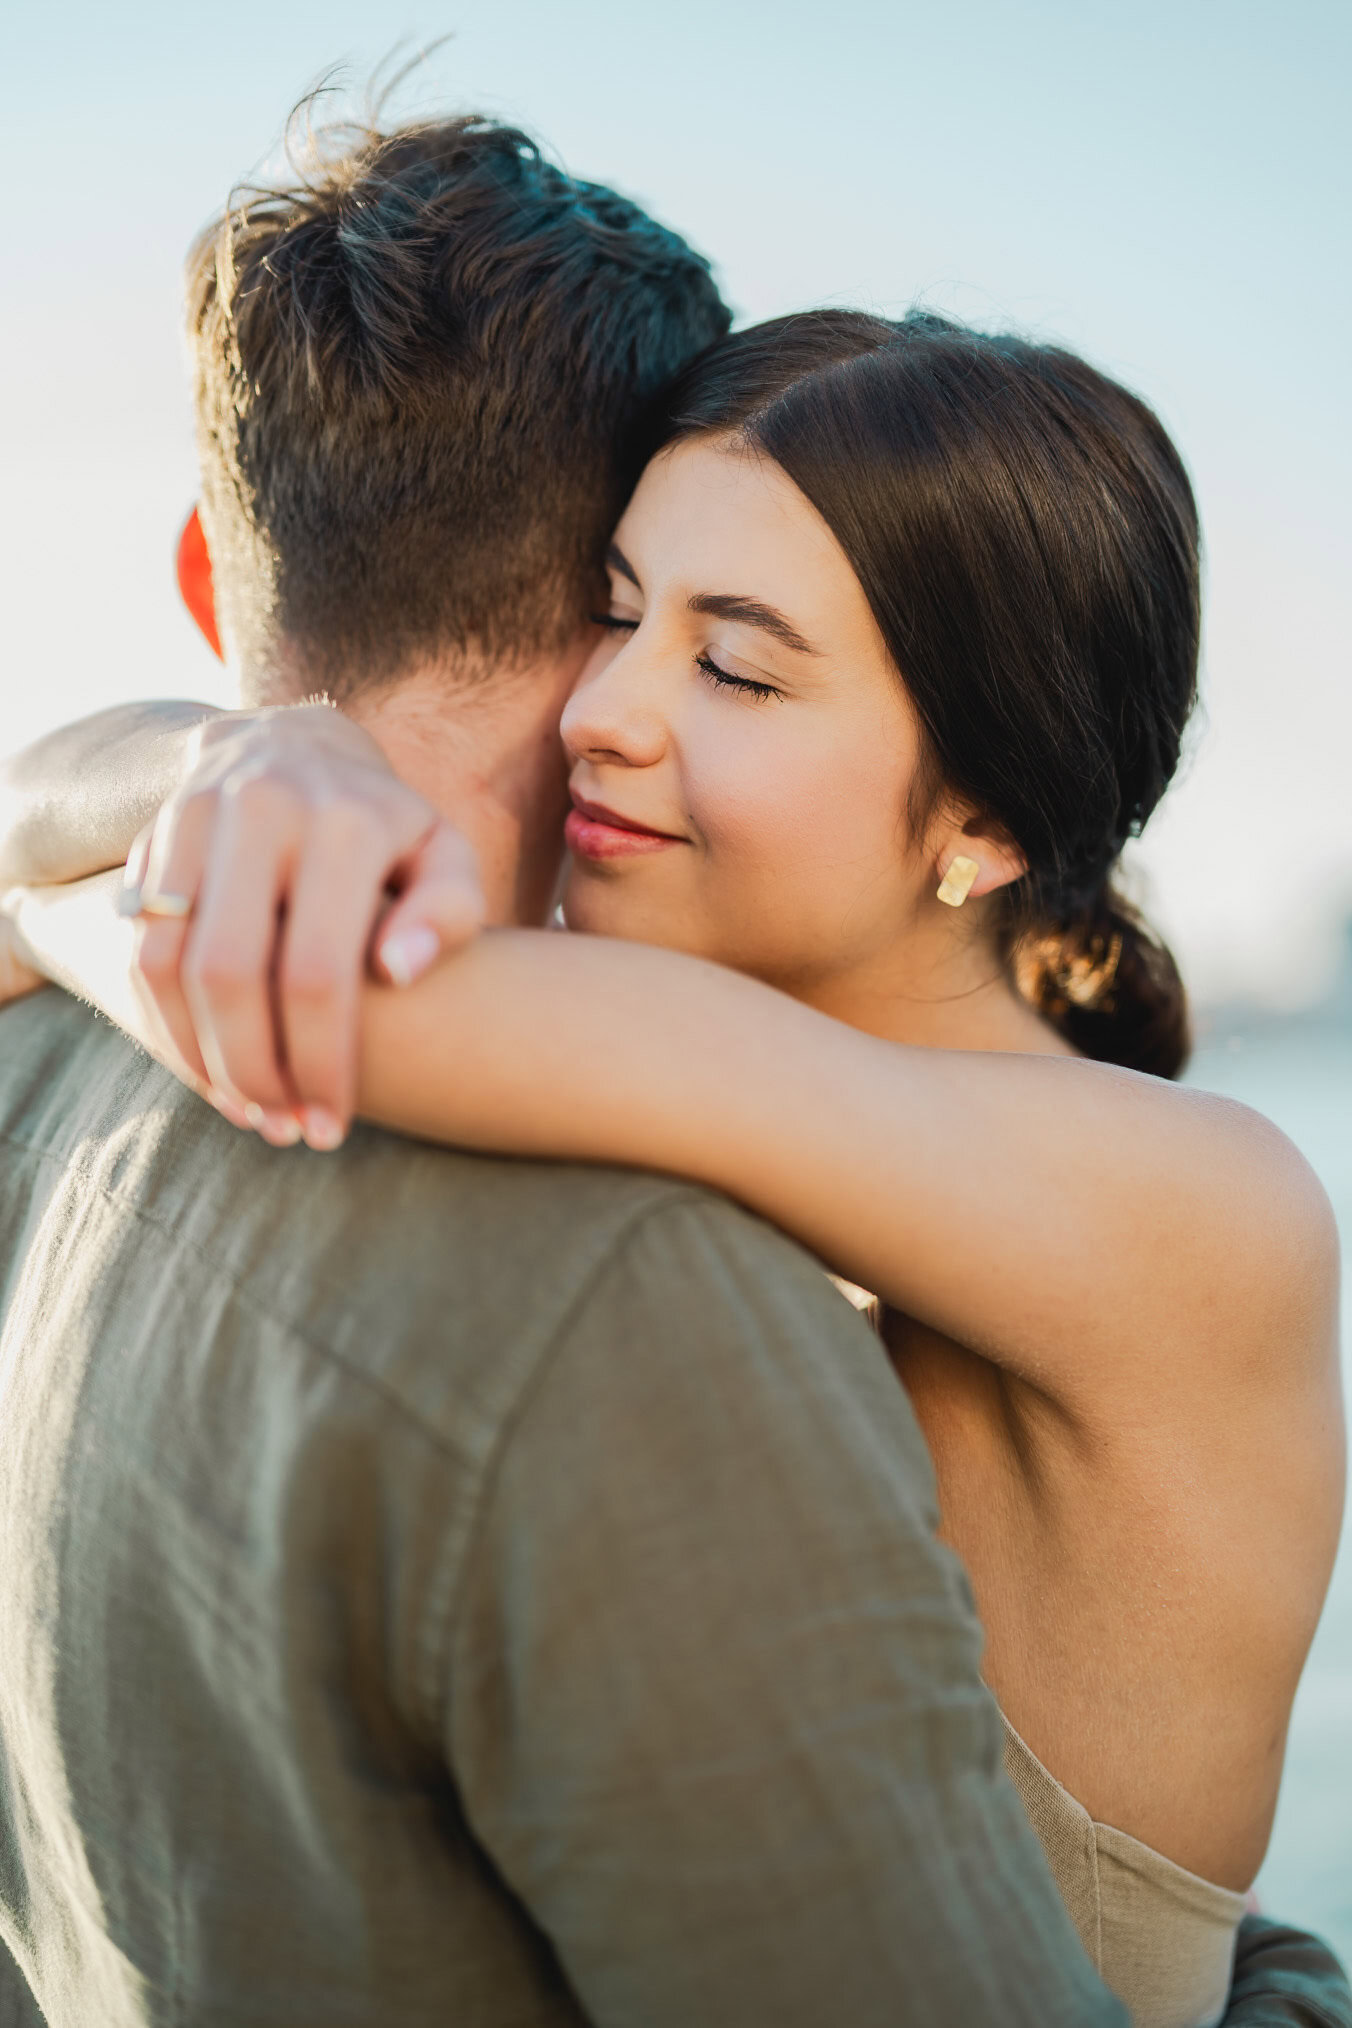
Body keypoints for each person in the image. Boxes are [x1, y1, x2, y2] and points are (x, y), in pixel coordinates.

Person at [0, 114, 1346, 2028]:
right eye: (619, 612)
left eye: (739, 665)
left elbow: (346, 998)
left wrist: (120, 838)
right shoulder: (764, 1119)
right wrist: (183, 786)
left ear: (984, 815)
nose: (605, 714)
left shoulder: (1202, 1206)